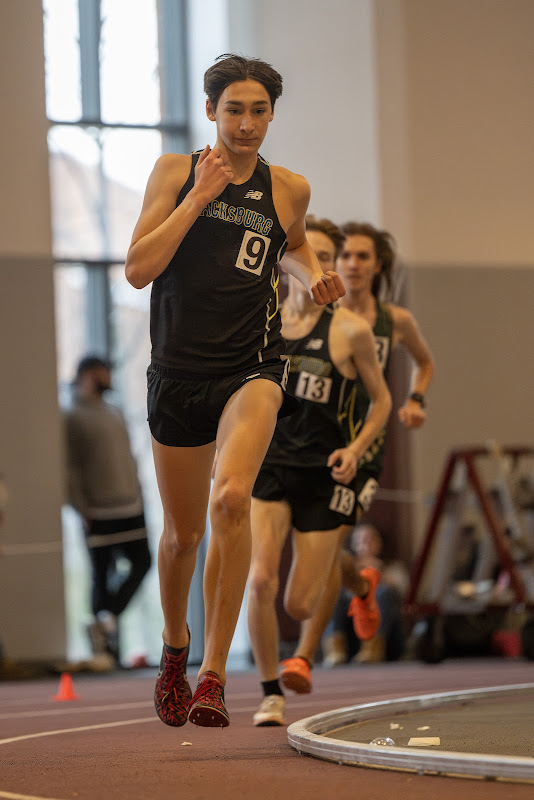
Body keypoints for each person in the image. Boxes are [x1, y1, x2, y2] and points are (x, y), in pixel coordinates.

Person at [124, 54, 345, 729]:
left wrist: (312, 276)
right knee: (184, 535)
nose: (246, 124)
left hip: (253, 368)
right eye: (233, 111)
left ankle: (216, 673)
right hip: (178, 375)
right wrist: (198, 197)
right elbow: (138, 270)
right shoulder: (174, 172)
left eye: (258, 111)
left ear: (272, 114)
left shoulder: (289, 188)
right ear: (212, 112)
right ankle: (176, 649)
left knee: (230, 499)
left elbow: (296, 246)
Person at [247, 215, 391, 726]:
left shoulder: (351, 330)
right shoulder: (263, 320)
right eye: (312, 254)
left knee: (301, 602)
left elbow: (381, 401)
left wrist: (355, 449)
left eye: (329, 258)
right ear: (287, 259)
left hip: (325, 474)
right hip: (270, 466)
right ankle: (270, 692)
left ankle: (360, 587)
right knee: (260, 578)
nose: (321, 266)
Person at [282, 220, 435, 684]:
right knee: (316, 542)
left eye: (363, 256)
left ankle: (312, 651)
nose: (352, 264)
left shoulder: (395, 321)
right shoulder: (323, 314)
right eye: (345, 255)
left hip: (364, 446)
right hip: (317, 440)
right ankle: (360, 585)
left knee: (327, 540)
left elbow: (425, 363)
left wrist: (416, 399)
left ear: (378, 264)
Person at [64, 355, 152, 669]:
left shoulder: (114, 411)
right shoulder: (71, 415)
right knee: (101, 577)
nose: (109, 377)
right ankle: (106, 652)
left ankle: (106, 619)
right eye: (104, 372)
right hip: (97, 511)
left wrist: (140, 495)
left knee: (143, 562)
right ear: (89, 375)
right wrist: (80, 507)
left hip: (130, 505)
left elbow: (129, 458)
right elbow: (69, 466)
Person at [324, 520, 409, 665]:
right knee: (333, 594)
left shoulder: (393, 567)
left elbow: (403, 593)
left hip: (386, 635)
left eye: (371, 539)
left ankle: (372, 649)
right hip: (351, 631)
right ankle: (335, 650)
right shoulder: (345, 568)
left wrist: (379, 571)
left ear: (380, 542)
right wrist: (353, 575)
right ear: (353, 544)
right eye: (361, 540)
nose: (366, 544)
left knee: (385, 592)